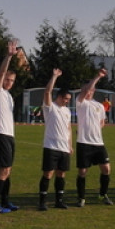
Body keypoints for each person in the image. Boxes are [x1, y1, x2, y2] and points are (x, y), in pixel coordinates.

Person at [0, 41, 21, 213]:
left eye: (12, 80)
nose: (9, 82)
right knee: (3, 170)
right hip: (0, 135)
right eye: (7, 79)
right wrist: (8, 56)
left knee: (8, 170)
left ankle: (5, 201)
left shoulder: (9, 96)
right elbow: (0, 74)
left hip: (9, 136)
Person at [75, 67, 113, 206]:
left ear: (94, 91)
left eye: (91, 89)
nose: (88, 91)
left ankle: (103, 195)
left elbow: (102, 122)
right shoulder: (80, 102)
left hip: (98, 143)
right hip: (84, 142)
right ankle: (81, 198)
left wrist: (97, 127)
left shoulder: (100, 106)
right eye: (86, 89)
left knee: (106, 169)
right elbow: (85, 91)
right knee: (83, 171)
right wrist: (98, 76)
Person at [38, 68, 72, 210]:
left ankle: (59, 200)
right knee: (48, 173)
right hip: (51, 146)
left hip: (64, 147)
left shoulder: (67, 111)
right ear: (59, 97)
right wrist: (54, 76)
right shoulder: (50, 107)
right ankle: (42, 202)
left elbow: (69, 128)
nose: (66, 102)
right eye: (65, 99)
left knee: (61, 174)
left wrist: (70, 145)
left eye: (68, 100)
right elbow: (47, 92)